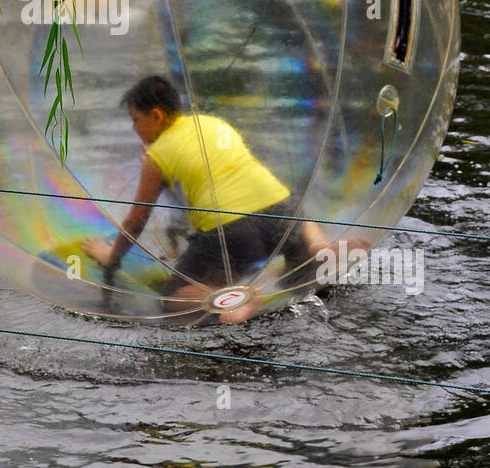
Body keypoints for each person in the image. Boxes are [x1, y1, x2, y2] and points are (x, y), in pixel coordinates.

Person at [83, 75, 357, 321]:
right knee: (296, 266)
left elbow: (136, 220)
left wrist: (111, 256)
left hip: (231, 231)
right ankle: (318, 246)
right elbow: (200, 184)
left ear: (156, 116)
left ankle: (232, 302)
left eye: (135, 120)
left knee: (171, 296)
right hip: (282, 212)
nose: (134, 128)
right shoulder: (212, 123)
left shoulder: (157, 157)